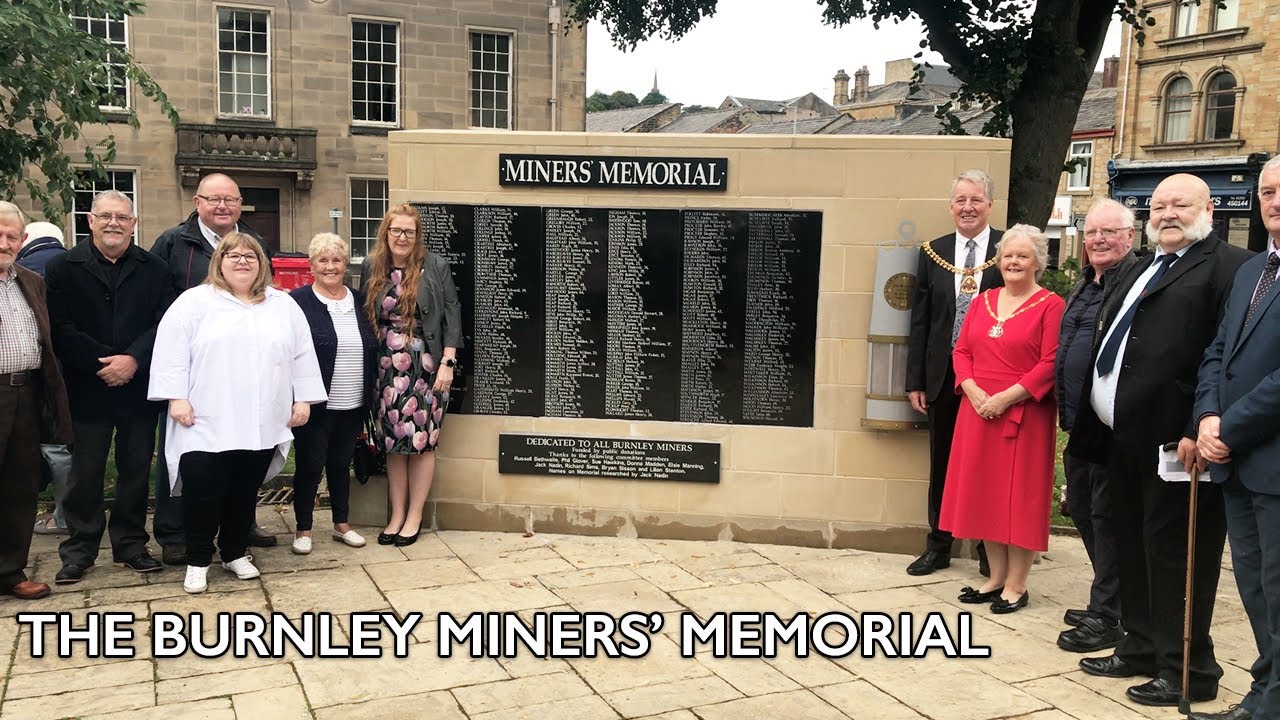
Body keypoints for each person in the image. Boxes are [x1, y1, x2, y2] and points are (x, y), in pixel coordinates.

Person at [1068, 173, 1252, 708]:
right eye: (1159, 205)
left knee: (1177, 555)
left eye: (1180, 204)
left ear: (1209, 208)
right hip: (1122, 438)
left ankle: (1188, 667)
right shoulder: (1149, 266)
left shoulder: (1230, 268)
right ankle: (1141, 644)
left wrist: (1201, 424)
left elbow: (1226, 358)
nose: (1168, 213)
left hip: (1180, 445)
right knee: (1131, 545)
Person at [148, 233, 325, 593]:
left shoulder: (282, 305)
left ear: (262, 263)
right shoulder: (194, 302)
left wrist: (303, 399)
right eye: (233, 255)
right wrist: (175, 398)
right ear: (219, 261)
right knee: (202, 489)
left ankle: (233, 551)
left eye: (250, 255)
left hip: (261, 418)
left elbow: (302, 354)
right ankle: (198, 558)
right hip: (205, 416)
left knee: (245, 488)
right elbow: (170, 352)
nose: (242, 261)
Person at [45, 191, 174, 584]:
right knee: (85, 472)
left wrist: (133, 359)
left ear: (134, 224)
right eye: (106, 216)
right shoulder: (62, 267)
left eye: (122, 217)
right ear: (90, 220)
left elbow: (164, 323)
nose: (114, 223)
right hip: (88, 387)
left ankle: (131, 544)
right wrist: (104, 362)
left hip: (137, 387)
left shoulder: (155, 267)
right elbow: (59, 327)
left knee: (136, 469)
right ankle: (80, 549)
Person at [1191, 155, 1280, 720]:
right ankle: (1266, 696)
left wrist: (1231, 426)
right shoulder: (1252, 270)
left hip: (1270, 461)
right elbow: (1218, 350)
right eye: (1268, 191)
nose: (1274, 201)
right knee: (1255, 592)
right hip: (1235, 462)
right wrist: (1205, 417)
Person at [148, 173, 277, 563]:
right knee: (187, 454)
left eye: (230, 200)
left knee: (244, 448)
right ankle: (175, 532)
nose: (222, 206)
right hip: (194, 373)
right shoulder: (173, 242)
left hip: (244, 373)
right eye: (213, 199)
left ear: (240, 204)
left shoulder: (254, 243)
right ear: (197, 202)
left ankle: (240, 525)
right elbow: (157, 306)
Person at [938, 224, 1064, 613]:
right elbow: (961, 352)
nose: (1013, 261)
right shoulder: (982, 301)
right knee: (985, 495)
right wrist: (975, 392)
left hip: (1024, 414)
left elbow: (1050, 363)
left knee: (1019, 499)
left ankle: (1017, 584)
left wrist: (1006, 398)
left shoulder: (1050, 305)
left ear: (1038, 263)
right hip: (978, 411)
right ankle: (993, 578)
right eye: (1008, 255)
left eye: (1022, 256)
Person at [904, 169, 1003, 577]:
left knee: (986, 465)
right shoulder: (933, 251)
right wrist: (915, 380)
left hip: (992, 379)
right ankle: (939, 544)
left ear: (989, 205)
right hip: (943, 377)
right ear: (950, 207)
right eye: (961, 200)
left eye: (976, 199)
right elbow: (920, 320)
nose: (968, 207)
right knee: (942, 464)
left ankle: (986, 549)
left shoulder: (1007, 248)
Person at [1053, 199, 1138, 652]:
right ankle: (1111, 594)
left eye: (1109, 232)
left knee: (1106, 517)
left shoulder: (1137, 283)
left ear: (1130, 235)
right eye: (1091, 233)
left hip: (1111, 427)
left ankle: (1109, 615)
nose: (1099, 240)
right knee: (1082, 509)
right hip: (1079, 424)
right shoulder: (1085, 285)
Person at [361, 204, 462, 547]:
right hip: (384, 368)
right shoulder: (372, 267)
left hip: (426, 368)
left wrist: (448, 361)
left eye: (409, 231)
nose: (402, 237)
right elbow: (364, 317)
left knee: (421, 441)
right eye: (396, 230)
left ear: (417, 236)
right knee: (394, 443)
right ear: (385, 233)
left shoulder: (434, 266)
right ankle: (396, 514)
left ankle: (414, 515)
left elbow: (452, 314)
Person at [0, 201, 73, 600]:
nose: (5, 242)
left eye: (12, 236)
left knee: (20, 486)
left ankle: (10, 571)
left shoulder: (29, 280)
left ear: (23, 241)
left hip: (26, 392)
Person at [289, 233, 377, 555]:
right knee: (311, 465)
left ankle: (342, 524)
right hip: (315, 404)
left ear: (345, 264)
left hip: (353, 401)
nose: (330, 266)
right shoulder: (298, 301)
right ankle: (303, 529)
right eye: (323, 260)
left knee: (341, 464)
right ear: (312, 265)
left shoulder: (359, 300)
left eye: (336, 260)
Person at [17, 221, 72, 538]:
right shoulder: (69, 265)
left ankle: (62, 516)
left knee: (53, 447)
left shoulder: (21, 269)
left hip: (38, 375)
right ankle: (69, 512)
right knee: (69, 445)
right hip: (73, 369)